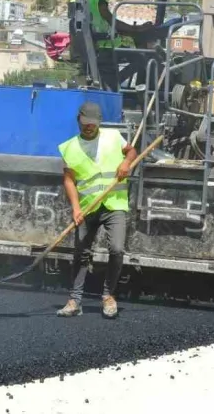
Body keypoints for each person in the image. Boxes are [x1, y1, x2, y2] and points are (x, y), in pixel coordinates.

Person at [56, 101, 137, 319]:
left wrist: (127, 163)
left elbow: (131, 151)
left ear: (99, 122)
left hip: (114, 203)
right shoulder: (70, 147)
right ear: (78, 122)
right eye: (85, 124)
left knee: (117, 249)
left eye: (92, 124)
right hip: (87, 207)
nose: (88, 127)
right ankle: (75, 300)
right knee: (81, 252)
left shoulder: (112, 137)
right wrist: (75, 209)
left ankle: (108, 296)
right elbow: (69, 181)